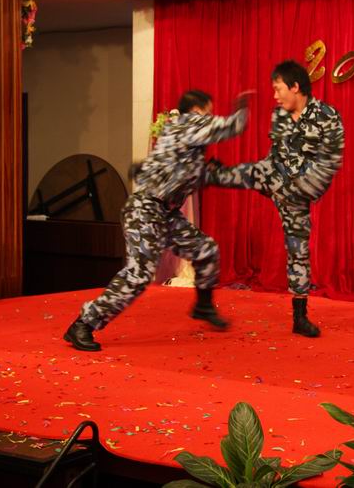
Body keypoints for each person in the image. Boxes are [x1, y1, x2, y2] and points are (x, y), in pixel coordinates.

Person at [64, 90, 250, 351]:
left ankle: (203, 305)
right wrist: (242, 110)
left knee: (205, 249)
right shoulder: (186, 124)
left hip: (166, 213)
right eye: (207, 111)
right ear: (197, 110)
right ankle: (83, 324)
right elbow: (231, 126)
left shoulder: (185, 141)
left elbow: (187, 174)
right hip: (146, 210)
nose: (209, 116)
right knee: (139, 275)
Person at [206, 60, 344, 337]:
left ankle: (300, 317)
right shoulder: (278, 115)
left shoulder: (327, 116)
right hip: (274, 174)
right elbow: (275, 153)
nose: (275, 96)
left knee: (298, 250)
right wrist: (263, 177)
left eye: (278, 89)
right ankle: (199, 174)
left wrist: (299, 190)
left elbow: (330, 162)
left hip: (299, 191)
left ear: (295, 87)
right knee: (237, 173)